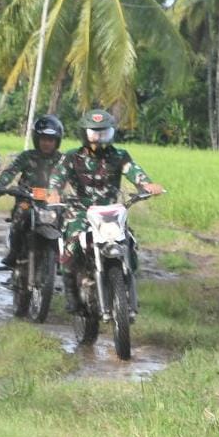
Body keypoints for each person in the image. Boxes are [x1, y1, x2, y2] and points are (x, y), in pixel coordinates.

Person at [48, 110, 164, 313]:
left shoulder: (119, 156)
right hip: (80, 211)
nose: (99, 137)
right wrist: (54, 193)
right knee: (71, 245)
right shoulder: (72, 156)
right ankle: (71, 292)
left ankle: (126, 286)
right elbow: (57, 178)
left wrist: (147, 185)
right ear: (84, 133)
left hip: (110, 211)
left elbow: (134, 171)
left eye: (104, 132)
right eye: (95, 133)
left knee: (128, 242)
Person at [0, 114, 65, 268]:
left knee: (67, 221)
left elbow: (74, 178)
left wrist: (79, 195)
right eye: (43, 139)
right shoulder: (27, 156)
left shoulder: (63, 160)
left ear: (57, 141)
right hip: (27, 199)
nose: (47, 143)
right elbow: (10, 171)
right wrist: (1, 186)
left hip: (52, 202)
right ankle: (13, 253)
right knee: (20, 215)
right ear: (37, 139)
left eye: (51, 140)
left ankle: (61, 257)